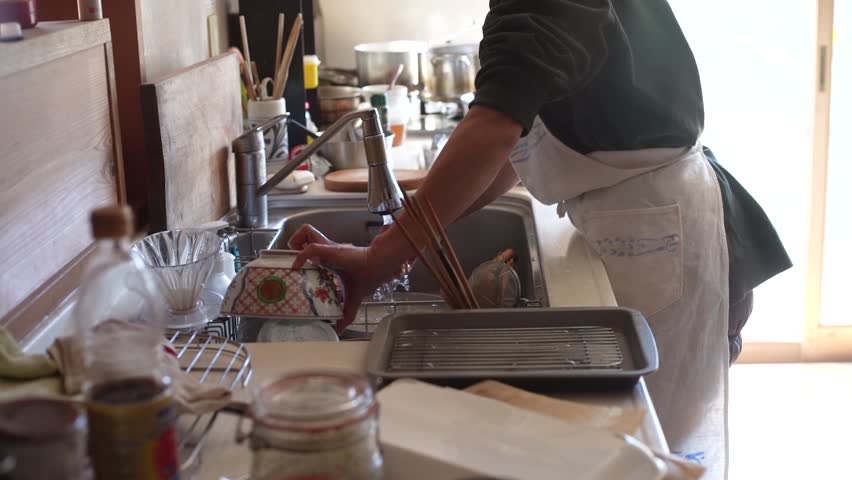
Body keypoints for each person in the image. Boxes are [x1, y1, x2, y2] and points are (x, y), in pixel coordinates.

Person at [289, 1, 791, 478]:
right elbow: (514, 146)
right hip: (652, 223)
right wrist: (404, 239)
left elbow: (494, 129)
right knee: (637, 452)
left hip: (656, 234)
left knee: (644, 454)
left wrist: (386, 252)